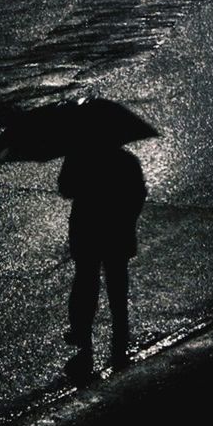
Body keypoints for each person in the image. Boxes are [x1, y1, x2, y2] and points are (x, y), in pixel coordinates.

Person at [58, 144, 147, 368]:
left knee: (85, 283)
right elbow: (139, 195)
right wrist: (127, 219)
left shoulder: (77, 156)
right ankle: (119, 341)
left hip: (86, 230)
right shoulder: (126, 160)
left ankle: (83, 339)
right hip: (117, 232)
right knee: (117, 286)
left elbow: (65, 188)